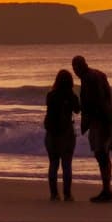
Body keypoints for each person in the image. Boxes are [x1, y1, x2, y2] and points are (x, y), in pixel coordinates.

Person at [71, 54, 112, 203]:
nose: (75, 71)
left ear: (80, 66)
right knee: (103, 154)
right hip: (107, 117)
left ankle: (106, 191)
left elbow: (95, 100)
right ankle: (106, 189)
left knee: (101, 154)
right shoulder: (95, 74)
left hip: (101, 119)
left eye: (75, 68)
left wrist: (87, 118)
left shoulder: (88, 78)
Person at [43, 68, 80, 201]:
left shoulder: (50, 95)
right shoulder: (71, 96)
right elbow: (77, 110)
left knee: (53, 163)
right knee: (66, 164)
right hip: (66, 133)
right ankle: (67, 194)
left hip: (51, 133)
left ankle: (54, 194)